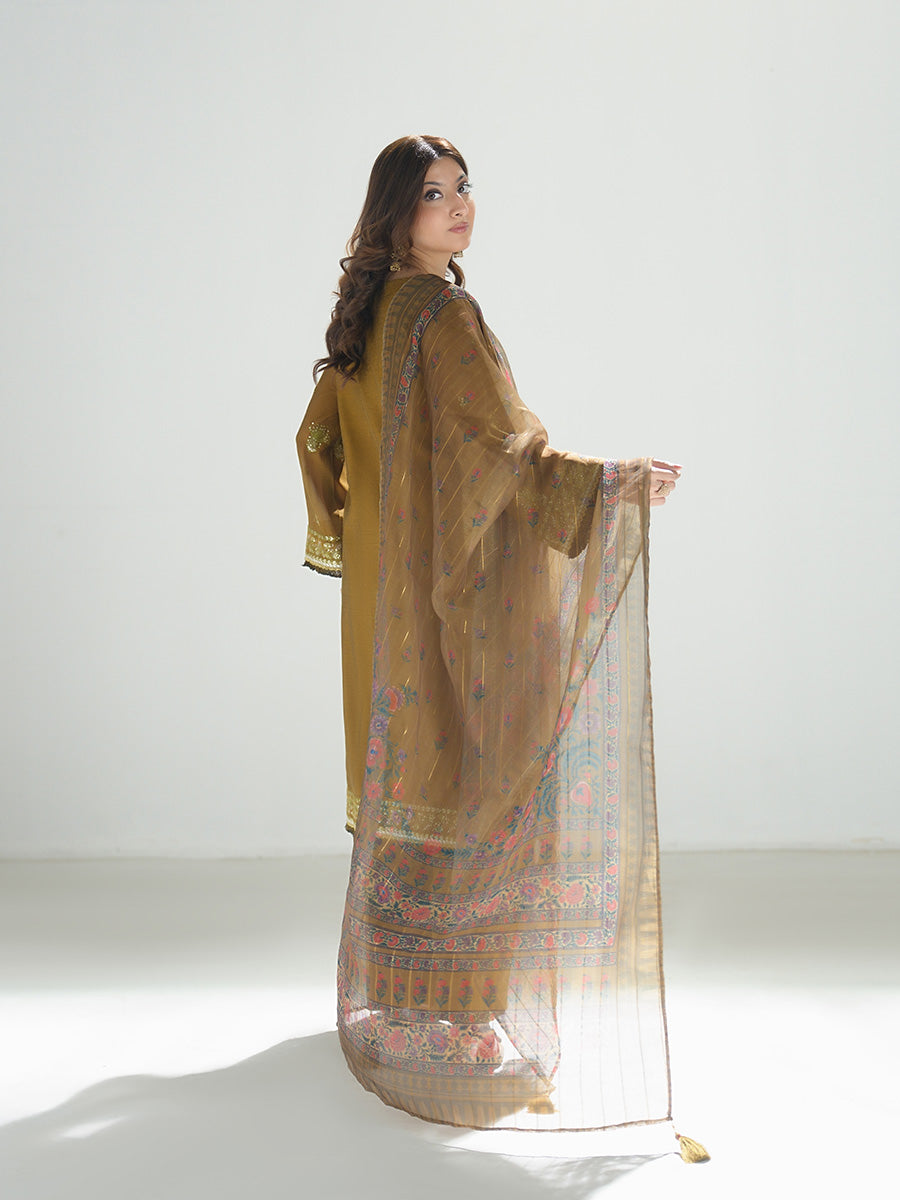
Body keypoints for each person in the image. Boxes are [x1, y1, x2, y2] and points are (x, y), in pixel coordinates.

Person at [297, 135, 706, 1158]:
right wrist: (609, 483)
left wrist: (362, 526)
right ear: (394, 212)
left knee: (408, 777)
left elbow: (316, 439)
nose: (459, 206)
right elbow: (501, 458)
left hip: (380, 607)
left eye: (465, 188)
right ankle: (460, 1017)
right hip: (443, 607)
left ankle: (399, 997)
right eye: (433, 194)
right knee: (477, 773)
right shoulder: (440, 315)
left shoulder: (365, 316)